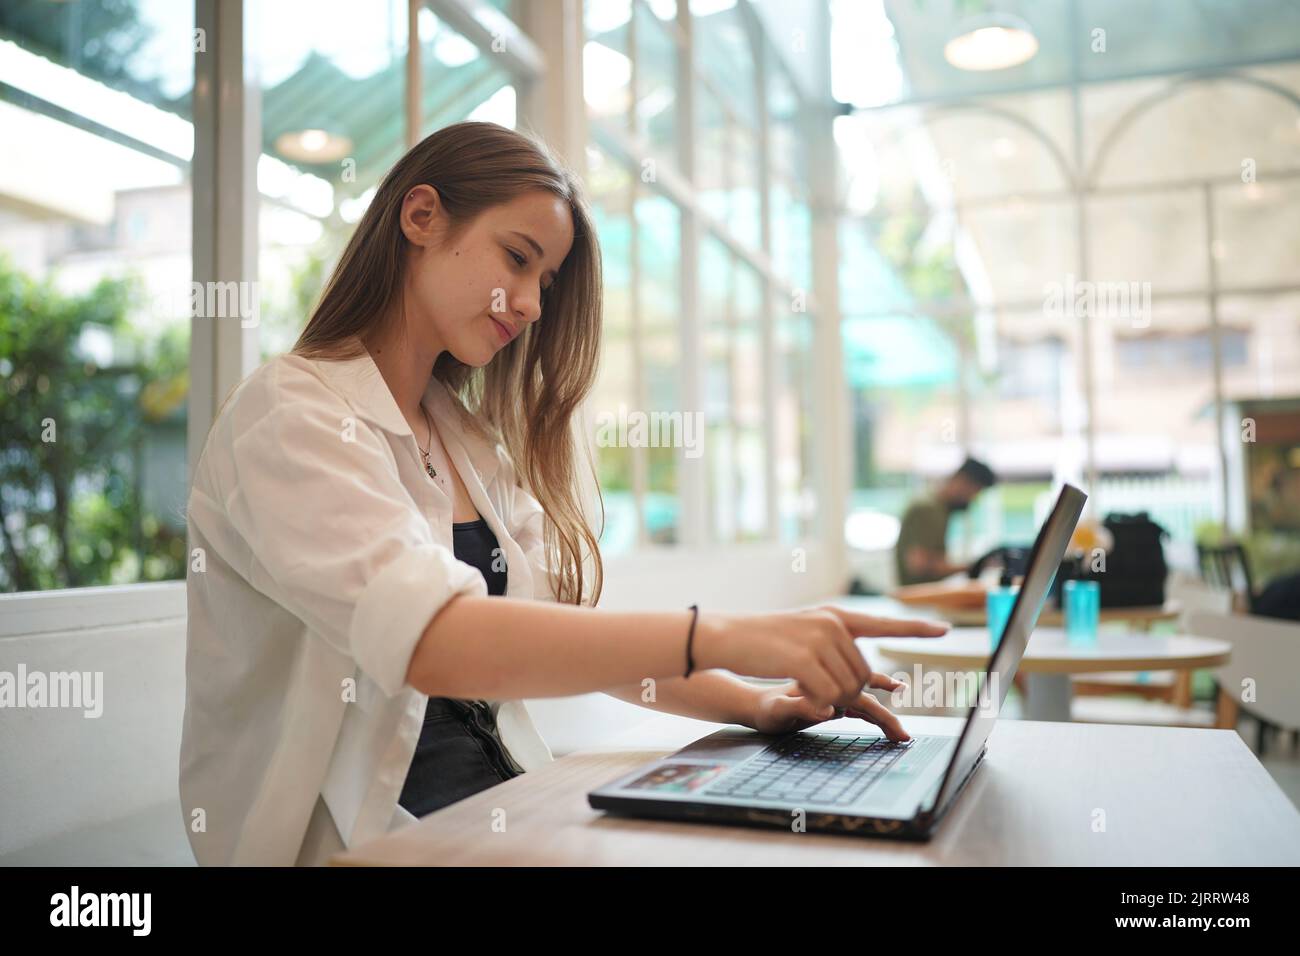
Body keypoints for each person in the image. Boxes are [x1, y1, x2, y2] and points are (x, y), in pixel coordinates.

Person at [179, 122, 947, 866]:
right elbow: (438, 645)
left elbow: (563, 637)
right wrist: (723, 633)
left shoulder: (464, 437)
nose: (535, 305)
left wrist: (758, 703)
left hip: (503, 809)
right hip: (364, 846)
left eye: (545, 282)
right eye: (517, 258)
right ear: (421, 216)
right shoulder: (288, 415)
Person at [894, 457, 997, 587]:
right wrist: (972, 567)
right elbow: (919, 564)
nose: (973, 499)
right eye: (974, 492)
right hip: (919, 601)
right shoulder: (927, 509)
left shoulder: (939, 509)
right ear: (962, 481)